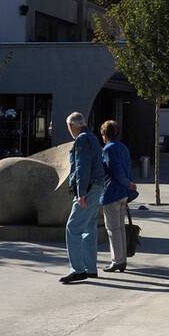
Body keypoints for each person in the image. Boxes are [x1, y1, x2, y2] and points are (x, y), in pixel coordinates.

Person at [60, 112, 104, 284]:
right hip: (97, 186)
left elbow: (82, 166)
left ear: (72, 126)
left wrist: (81, 193)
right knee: (89, 228)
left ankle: (78, 269)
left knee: (73, 227)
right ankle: (90, 268)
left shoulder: (82, 139)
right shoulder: (92, 137)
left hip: (89, 188)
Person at [99, 119, 137, 273]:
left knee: (113, 229)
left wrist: (126, 183)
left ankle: (117, 261)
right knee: (120, 228)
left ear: (104, 135)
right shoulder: (123, 148)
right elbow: (126, 169)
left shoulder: (108, 149)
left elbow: (115, 171)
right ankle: (121, 259)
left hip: (111, 192)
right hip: (123, 193)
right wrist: (129, 185)